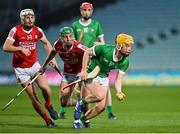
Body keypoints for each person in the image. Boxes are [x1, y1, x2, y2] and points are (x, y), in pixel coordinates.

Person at [59, 1, 117, 120]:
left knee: (104, 84)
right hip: (81, 58)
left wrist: (92, 45)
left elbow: (102, 43)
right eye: (84, 10)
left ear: (92, 11)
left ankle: (110, 111)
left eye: (89, 10)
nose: (86, 12)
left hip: (94, 57)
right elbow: (71, 42)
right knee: (80, 87)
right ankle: (64, 110)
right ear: (81, 11)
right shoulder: (75, 25)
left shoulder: (96, 24)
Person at [2, 9, 58, 127]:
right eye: (27, 17)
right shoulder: (15, 31)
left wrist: (52, 59)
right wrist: (20, 48)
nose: (30, 19)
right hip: (20, 69)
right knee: (33, 95)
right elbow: (6, 47)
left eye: (32, 17)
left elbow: (47, 43)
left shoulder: (38, 30)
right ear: (22, 19)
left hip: (34, 65)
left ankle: (49, 105)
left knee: (46, 89)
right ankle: (48, 120)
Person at [73, 33, 134, 128]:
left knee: (101, 108)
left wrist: (119, 91)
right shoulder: (104, 49)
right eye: (127, 45)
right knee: (99, 96)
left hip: (104, 75)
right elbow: (87, 52)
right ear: (119, 45)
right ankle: (80, 103)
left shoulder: (125, 61)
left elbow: (118, 80)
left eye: (130, 46)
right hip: (91, 72)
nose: (129, 48)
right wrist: (84, 70)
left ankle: (80, 121)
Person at [39, 26, 90, 127]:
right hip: (68, 74)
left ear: (73, 37)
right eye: (65, 37)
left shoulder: (79, 47)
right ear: (61, 38)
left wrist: (86, 70)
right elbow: (52, 53)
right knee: (63, 102)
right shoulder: (57, 44)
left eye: (70, 36)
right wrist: (44, 65)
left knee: (84, 97)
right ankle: (79, 104)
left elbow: (91, 53)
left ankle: (85, 120)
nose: (68, 39)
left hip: (81, 73)